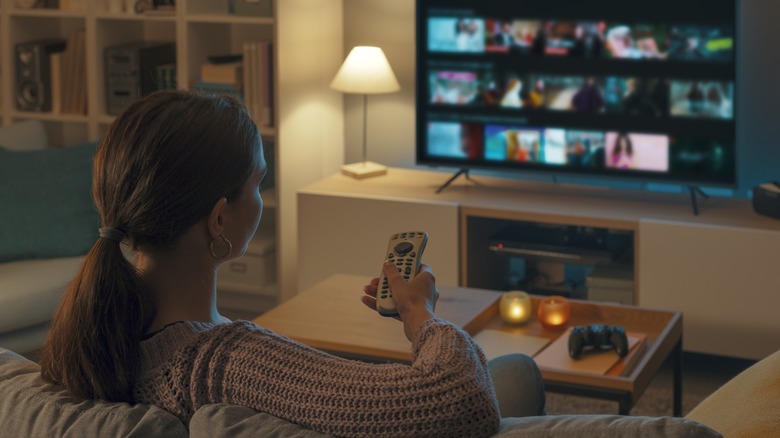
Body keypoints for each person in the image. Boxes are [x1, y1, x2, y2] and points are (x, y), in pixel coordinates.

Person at [38, 89, 545, 437]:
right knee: (515, 373)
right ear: (219, 220)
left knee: (505, 371)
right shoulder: (223, 362)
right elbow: (458, 402)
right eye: (258, 184)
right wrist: (420, 316)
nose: (261, 197)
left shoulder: (93, 332)